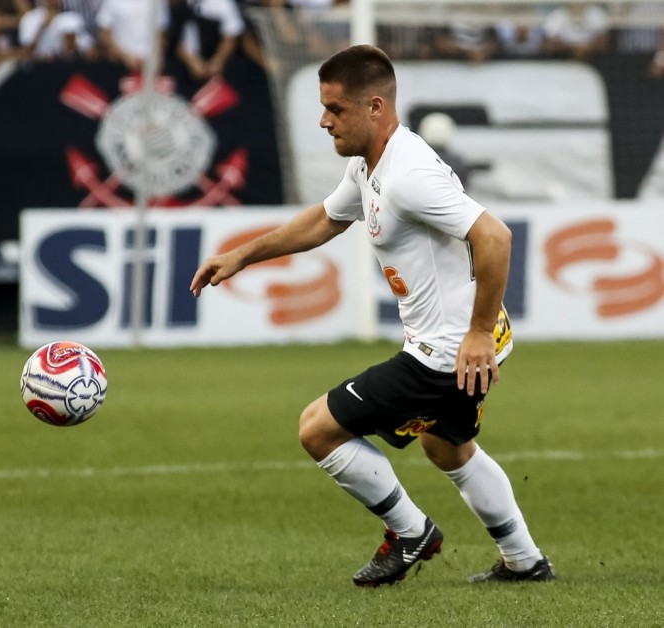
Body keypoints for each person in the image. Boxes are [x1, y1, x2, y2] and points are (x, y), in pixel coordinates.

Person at [190, 45, 555, 587]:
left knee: (318, 429)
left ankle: (410, 533)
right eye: (323, 107)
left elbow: (494, 236)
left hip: (446, 354)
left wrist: (477, 333)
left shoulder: (409, 175)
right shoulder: (370, 165)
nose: (323, 120)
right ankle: (525, 561)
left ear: (375, 107)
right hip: (456, 343)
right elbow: (324, 221)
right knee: (446, 446)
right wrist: (242, 254)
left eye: (336, 109)